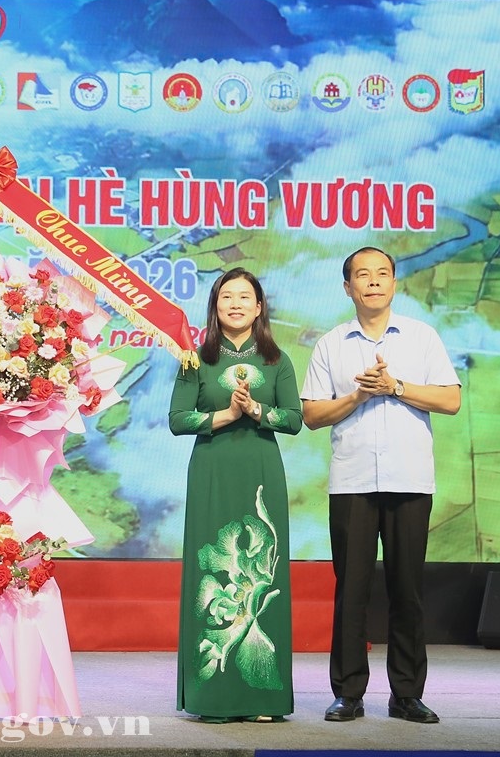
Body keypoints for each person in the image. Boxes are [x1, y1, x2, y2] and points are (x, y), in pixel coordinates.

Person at [301, 247, 461, 725]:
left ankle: (406, 694)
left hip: (409, 479)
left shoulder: (421, 337)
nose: (373, 282)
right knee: (351, 590)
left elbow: (450, 400)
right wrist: (358, 395)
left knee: (406, 590)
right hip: (352, 481)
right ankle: (348, 693)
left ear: (394, 283)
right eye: (362, 275)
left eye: (382, 274)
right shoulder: (331, 344)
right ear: (347, 287)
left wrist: (395, 387)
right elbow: (312, 414)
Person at [169, 267, 303, 723]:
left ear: (259, 306)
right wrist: (225, 415)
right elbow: (178, 419)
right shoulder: (194, 359)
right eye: (227, 296)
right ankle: (213, 699)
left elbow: (294, 419)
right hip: (211, 470)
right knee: (214, 566)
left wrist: (257, 409)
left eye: (245, 296)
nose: (236, 304)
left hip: (261, 473)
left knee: (263, 573)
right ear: (215, 305)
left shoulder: (277, 360)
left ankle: (262, 699)